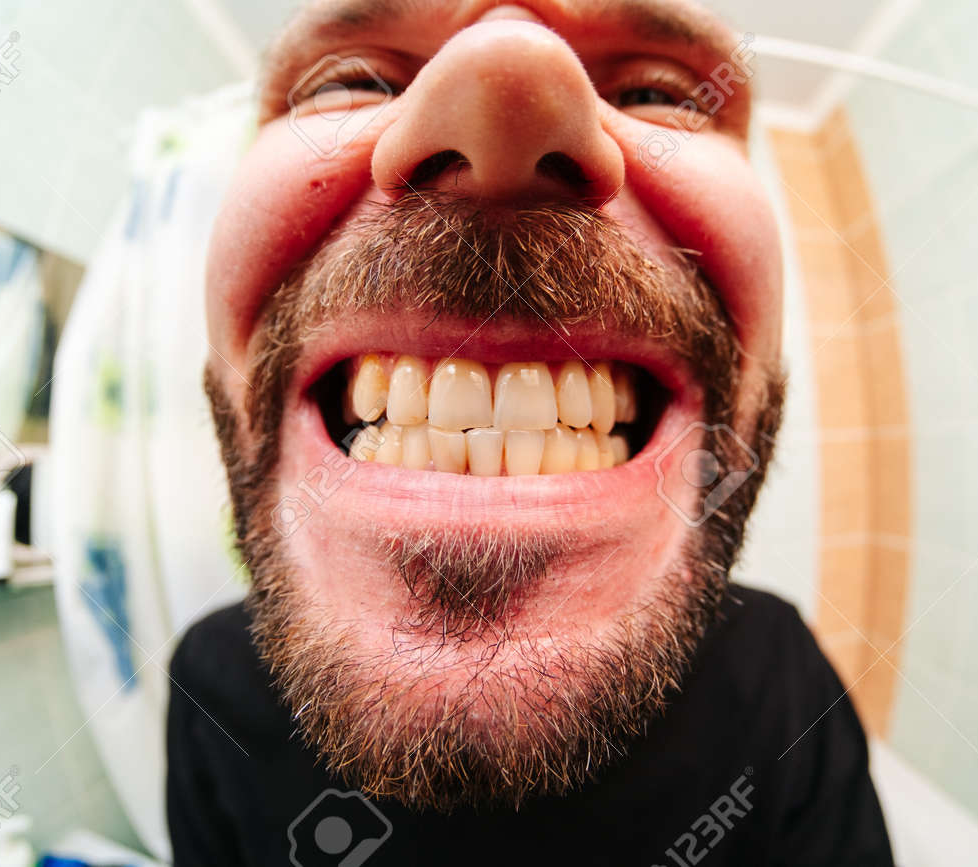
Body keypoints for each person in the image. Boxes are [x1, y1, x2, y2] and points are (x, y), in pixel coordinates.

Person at [168, 1, 893, 864]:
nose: (504, 78)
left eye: (657, 93)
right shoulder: (207, 692)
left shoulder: (785, 683)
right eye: (355, 80)